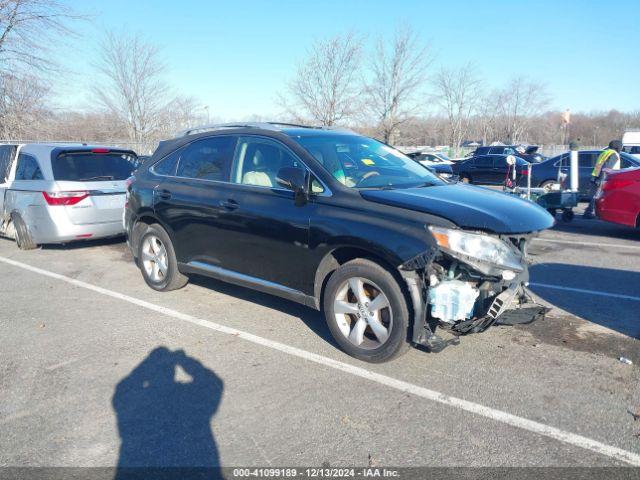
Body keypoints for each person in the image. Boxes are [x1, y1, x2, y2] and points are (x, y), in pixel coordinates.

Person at [583, 140, 622, 219]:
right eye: (621, 146)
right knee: (597, 196)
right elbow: (606, 168)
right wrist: (601, 180)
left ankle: (590, 212)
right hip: (603, 178)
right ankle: (589, 212)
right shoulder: (614, 155)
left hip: (595, 176)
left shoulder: (605, 152)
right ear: (617, 147)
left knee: (595, 196)